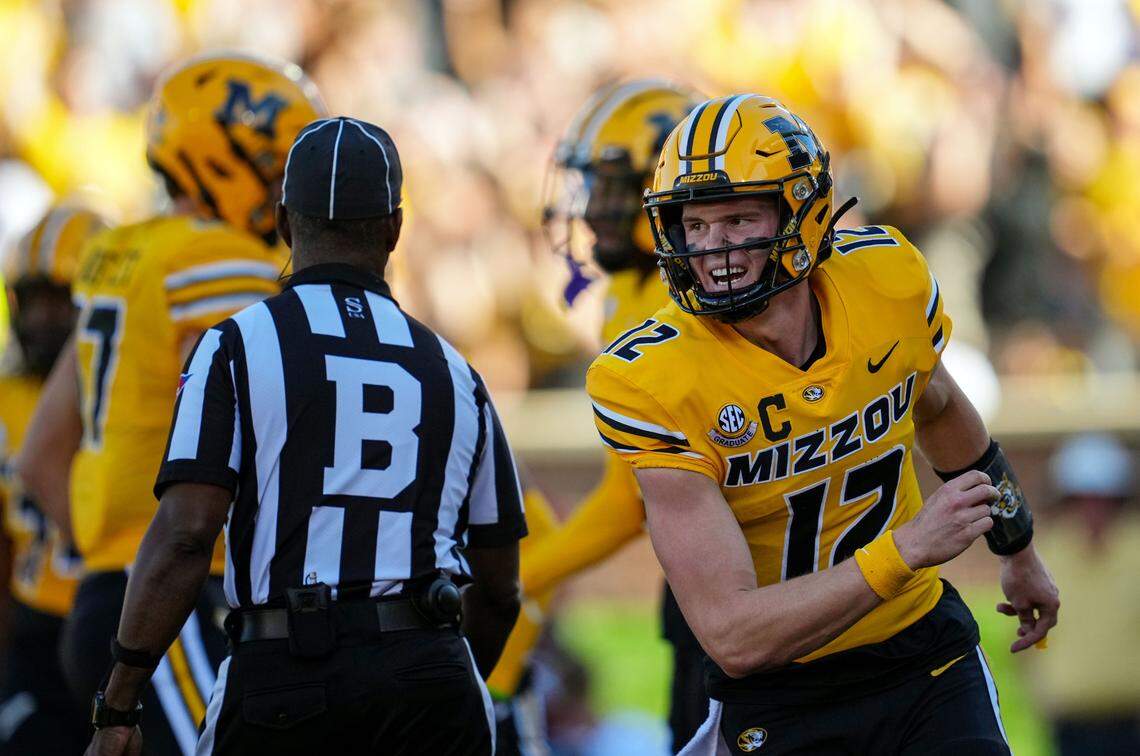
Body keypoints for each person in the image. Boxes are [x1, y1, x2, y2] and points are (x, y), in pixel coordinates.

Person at [585, 94, 1060, 755]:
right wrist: (904, 551)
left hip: (921, 655)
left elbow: (943, 409)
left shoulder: (884, 282)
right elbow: (733, 636)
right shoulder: (650, 380)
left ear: (803, 212)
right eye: (694, 226)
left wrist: (1019, 551)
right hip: (784, 688)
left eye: (740, 218)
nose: (714, 248)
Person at [84, 116, 527, 756]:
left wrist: (118, 701)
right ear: (394, 229)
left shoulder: (236, 344)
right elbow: (501, 586)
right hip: (430, 671)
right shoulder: (458, 372)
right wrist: (438, 679)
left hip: (288, 677)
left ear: (284, 222)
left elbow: (186, 535)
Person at [17, 53, 325, 755]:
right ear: (221, 160)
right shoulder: (226, 263)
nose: (287, 192)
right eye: (276, 167)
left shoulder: (120, 253)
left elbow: (41, 456)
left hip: (108, 599)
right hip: (178, 603)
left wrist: (112, 560)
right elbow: (252, 440)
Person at [536, 79, 707, 752]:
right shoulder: (630, 295)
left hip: (766, 587)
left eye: (612, 188)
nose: (593, 210)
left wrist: (530, 573)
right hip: (708, 586)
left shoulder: (677, 301)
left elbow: (628, 498)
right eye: (592, 187)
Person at [0, 205, 106, 754]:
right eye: (31, 300)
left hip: (115, 618)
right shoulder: (6, 397)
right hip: (37, 625)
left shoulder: (132, 396)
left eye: (59, 300)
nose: (42, 318)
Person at [1028, 434, 1140, 756]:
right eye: (1083, 498)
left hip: (1132, 720)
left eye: (1102, 498)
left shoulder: (1136, 549)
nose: (1093, 509)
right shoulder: (1044, 555)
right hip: (1070, 723)